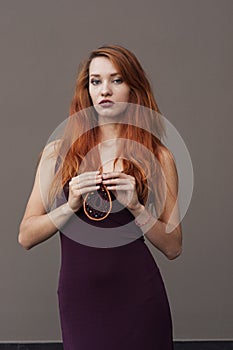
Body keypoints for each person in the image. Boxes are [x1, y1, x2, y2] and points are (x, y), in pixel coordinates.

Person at [18, 44, 182, 350]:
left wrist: (135, 206)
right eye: (96, 81)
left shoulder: (158, 156)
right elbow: (26, 236)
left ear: (134, 88)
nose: (105, 89)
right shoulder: (58, 152)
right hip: (80, 301)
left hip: (140, 299)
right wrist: (69, 206)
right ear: (87, 90)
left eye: (116, 80)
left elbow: (173, 247)